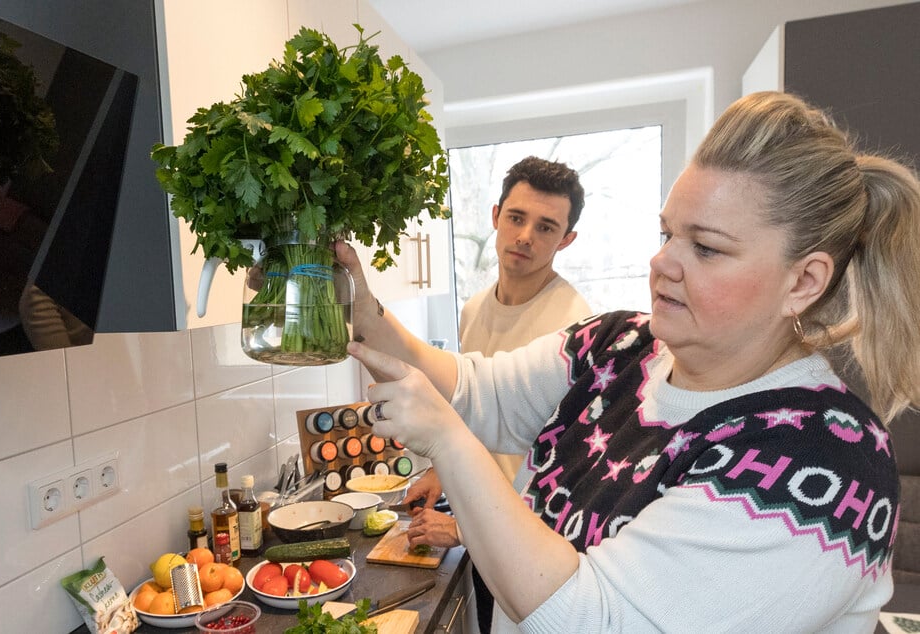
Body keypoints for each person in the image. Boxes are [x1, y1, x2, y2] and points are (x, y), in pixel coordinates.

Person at [337, 90, 920, 633]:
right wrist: (359, 308)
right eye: (668, 233)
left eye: (707, 247)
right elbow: (476, 390)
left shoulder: (821, 465)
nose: (663, 262)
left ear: (804, 280)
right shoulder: (621, 344)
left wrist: (447, 439)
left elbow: (595, 620)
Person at [407, 156, 592, 633]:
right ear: (495, 216)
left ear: (566, 240)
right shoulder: (473, 310)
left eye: (546, 226)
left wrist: (465, 529)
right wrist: (440, 472)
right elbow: (480, 413)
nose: (526, 235)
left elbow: (564, 468)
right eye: (516, 217)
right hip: (483, 520)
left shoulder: (573, 327)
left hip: (531, 544)